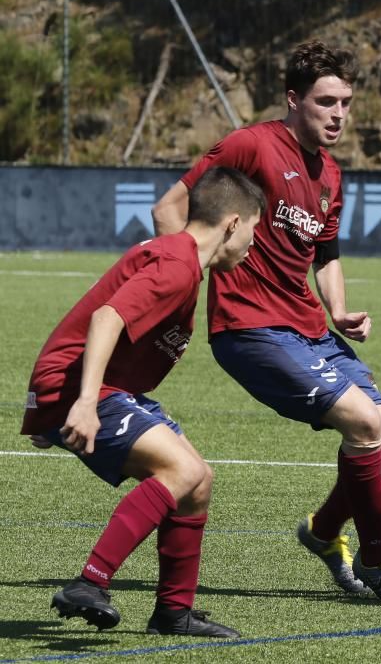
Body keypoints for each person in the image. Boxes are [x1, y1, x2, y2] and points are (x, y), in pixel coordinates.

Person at [151, 40, 381, 602]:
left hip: (310, 329)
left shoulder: (331, 172)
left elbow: (324, 253)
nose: (339, 114)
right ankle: (377, 561)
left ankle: (325, 533)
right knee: (364, 425)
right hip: (250, 327)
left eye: (346, 102)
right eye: (327, 102)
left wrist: (340, 310)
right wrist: (184, 272)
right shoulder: (251, 145)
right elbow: (170, 207)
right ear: (293, 100)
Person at [21, 167, 264, 637]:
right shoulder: (178, 265)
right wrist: (81, 402)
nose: (253, 243)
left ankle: (174, 612)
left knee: (198, 481)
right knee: (183, 472)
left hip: (92, 387)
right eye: (254, 228)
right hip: (82, 388)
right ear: (233, 223)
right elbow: (107, 318)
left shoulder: (182, 262)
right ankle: (89, 583)